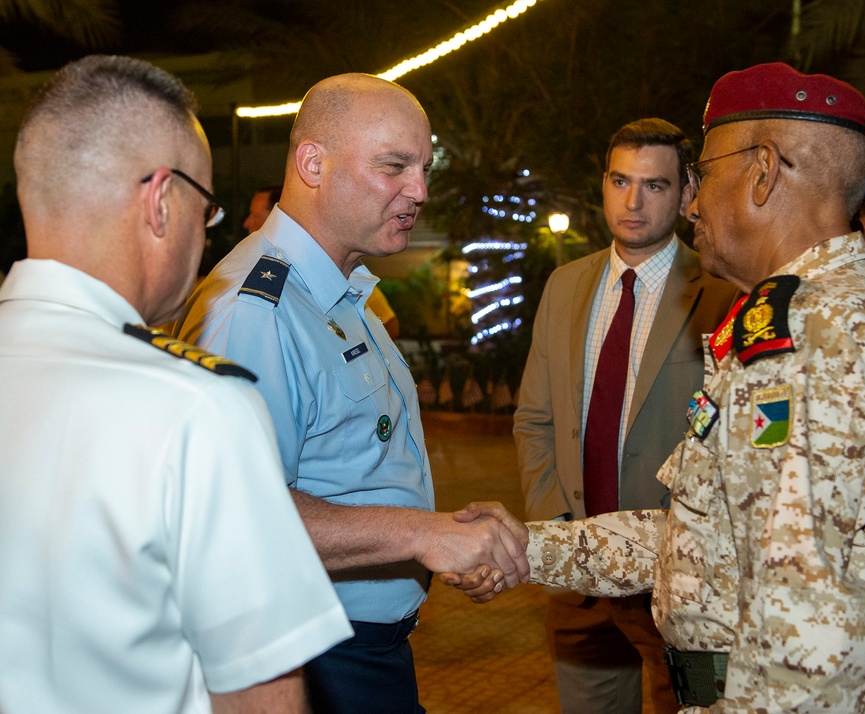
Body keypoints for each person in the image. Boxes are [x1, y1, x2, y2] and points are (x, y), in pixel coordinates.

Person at [453, 63, 865, 711]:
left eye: (705, 175)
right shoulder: (803, 318)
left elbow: (807, 650)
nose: (690, 201)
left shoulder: (818, 341)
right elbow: (709, 536)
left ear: (763, 170)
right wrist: (529, 546)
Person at [0, 54, 355, 714]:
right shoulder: (195, 410)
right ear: (161, 201)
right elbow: (262, 698)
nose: (204, 234)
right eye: (207, 208)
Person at [175, 72, 527, 714]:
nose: (418, 191)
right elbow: (234, 518)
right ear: (312, 162)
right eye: (394, 166)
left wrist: (447, 531)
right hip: (313, 662)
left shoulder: (341, 289)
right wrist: (420, 533)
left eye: (423, 167)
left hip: (365, 652)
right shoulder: (255, 310)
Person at [514, 118, 738, 714]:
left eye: (655, 185)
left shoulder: (722, 291)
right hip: (578, 574)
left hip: (673, 578)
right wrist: (557, 526)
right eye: (620, 180)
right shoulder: (565, 285)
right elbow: (534, 418)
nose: (632, 201)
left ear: (688, 194)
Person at [244, 183, 400, 338]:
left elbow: (390, 324)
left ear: (277, 216)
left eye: (254, 214)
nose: (247, 223)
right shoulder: (254, 269)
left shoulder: (325, 265)